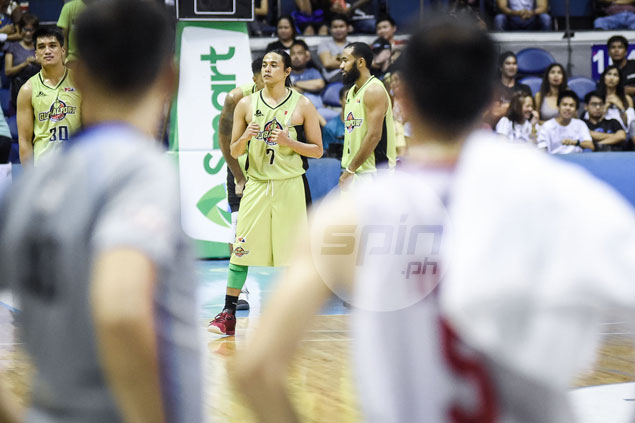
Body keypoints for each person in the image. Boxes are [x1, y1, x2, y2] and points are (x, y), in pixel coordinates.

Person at [231, 15, 635, 423]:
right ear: (493, 99)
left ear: (403, 101)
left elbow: (256, 368)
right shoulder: (562, 195)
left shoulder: (347, 216)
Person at [0, 1, 203, 423]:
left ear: (79, 74)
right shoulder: (139, 170)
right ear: (171, 77)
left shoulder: (29, 188)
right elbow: (122, 311)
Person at [208, 49, 323, 336]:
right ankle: (228, 314)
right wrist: (244, 138)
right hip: (257, 185)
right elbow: (234, 150)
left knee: (295, 254)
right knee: (240, 251)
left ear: (287, 72)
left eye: (274, 65)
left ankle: (295, 314)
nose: (267, 69)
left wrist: (288, 141)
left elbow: (318, 150)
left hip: (290, 184)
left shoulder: (303, 105)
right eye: (264, 65)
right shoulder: (245, 104)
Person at [218, 56, 265, 311]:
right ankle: (240, 289)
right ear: (255, 77)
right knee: (238, 225)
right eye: (264, 74)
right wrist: (238, 176)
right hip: (244, 167)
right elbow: (225, 140)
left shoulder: (289, 97)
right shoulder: (236, 98)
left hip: (276, 170)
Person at [16, 27, 82, 165]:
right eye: (41, 47)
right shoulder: (27, 90)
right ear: (36, 54)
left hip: (77, 164)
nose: (47, 51)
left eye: (52, 46)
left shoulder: (80, 82)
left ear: (63, 50)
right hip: (44, 167)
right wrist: (31, 175)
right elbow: (24, 140)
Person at [338, 41, 396, 188]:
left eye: (345, 60)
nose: (341, 66)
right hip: (354, 171)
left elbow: (374, 136)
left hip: (375, 173)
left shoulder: (373, 90)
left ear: (360, 62)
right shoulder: (351, 92)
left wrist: (350, 169)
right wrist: (349, 169)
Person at [3, 13, 39, 113]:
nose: (28, 33)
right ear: (20, 29)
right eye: (25, 29)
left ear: (35, 31)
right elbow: (8, 71)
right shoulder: (12, 47)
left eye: (31, 30)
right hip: (18, 92)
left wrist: (38, 62)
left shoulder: (40, 46)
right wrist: (24, 64)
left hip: (39, 92)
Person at [596, 64, 634, 131]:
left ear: (619, 79)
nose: (611, 78)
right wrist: (605, 107)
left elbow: (630, 126)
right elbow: (594, 124)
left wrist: (620, 107)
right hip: (602, 132)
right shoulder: (596, 98)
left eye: (615, 75)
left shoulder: (627, 99)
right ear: (604, 77)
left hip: (623, 133)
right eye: (609, 74)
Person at [290, 39, 325, 109]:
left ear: (306, 56)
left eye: (300, 53)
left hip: (317, 109)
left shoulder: (313, 71)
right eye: (293, 54)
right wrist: (307, 87)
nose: (296, 57)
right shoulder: (285, 73)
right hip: (294, 110)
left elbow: (320, 84)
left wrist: (295, 83)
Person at [56, 0, 92, 68]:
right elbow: (63, 36)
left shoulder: (104, 8)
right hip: (73, 61)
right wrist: (63, 60)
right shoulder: (69, 7)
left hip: (96, 61)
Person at [317, 14, 348, 83]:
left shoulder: (352, 45)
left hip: (350, 77)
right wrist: (349, 62)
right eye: (335, 27)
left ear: (347, 28)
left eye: (341, 26)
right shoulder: (324, 44)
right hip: (333, 78)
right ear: (330, 29)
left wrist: (336, 58)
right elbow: (327, 63)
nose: (338, 29)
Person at [321, 85, 348, 157]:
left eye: (353, 98)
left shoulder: (365, 124)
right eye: (347, 98)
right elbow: (330, 157)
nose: (350, 101)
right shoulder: (330, 127)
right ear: (340, 100)